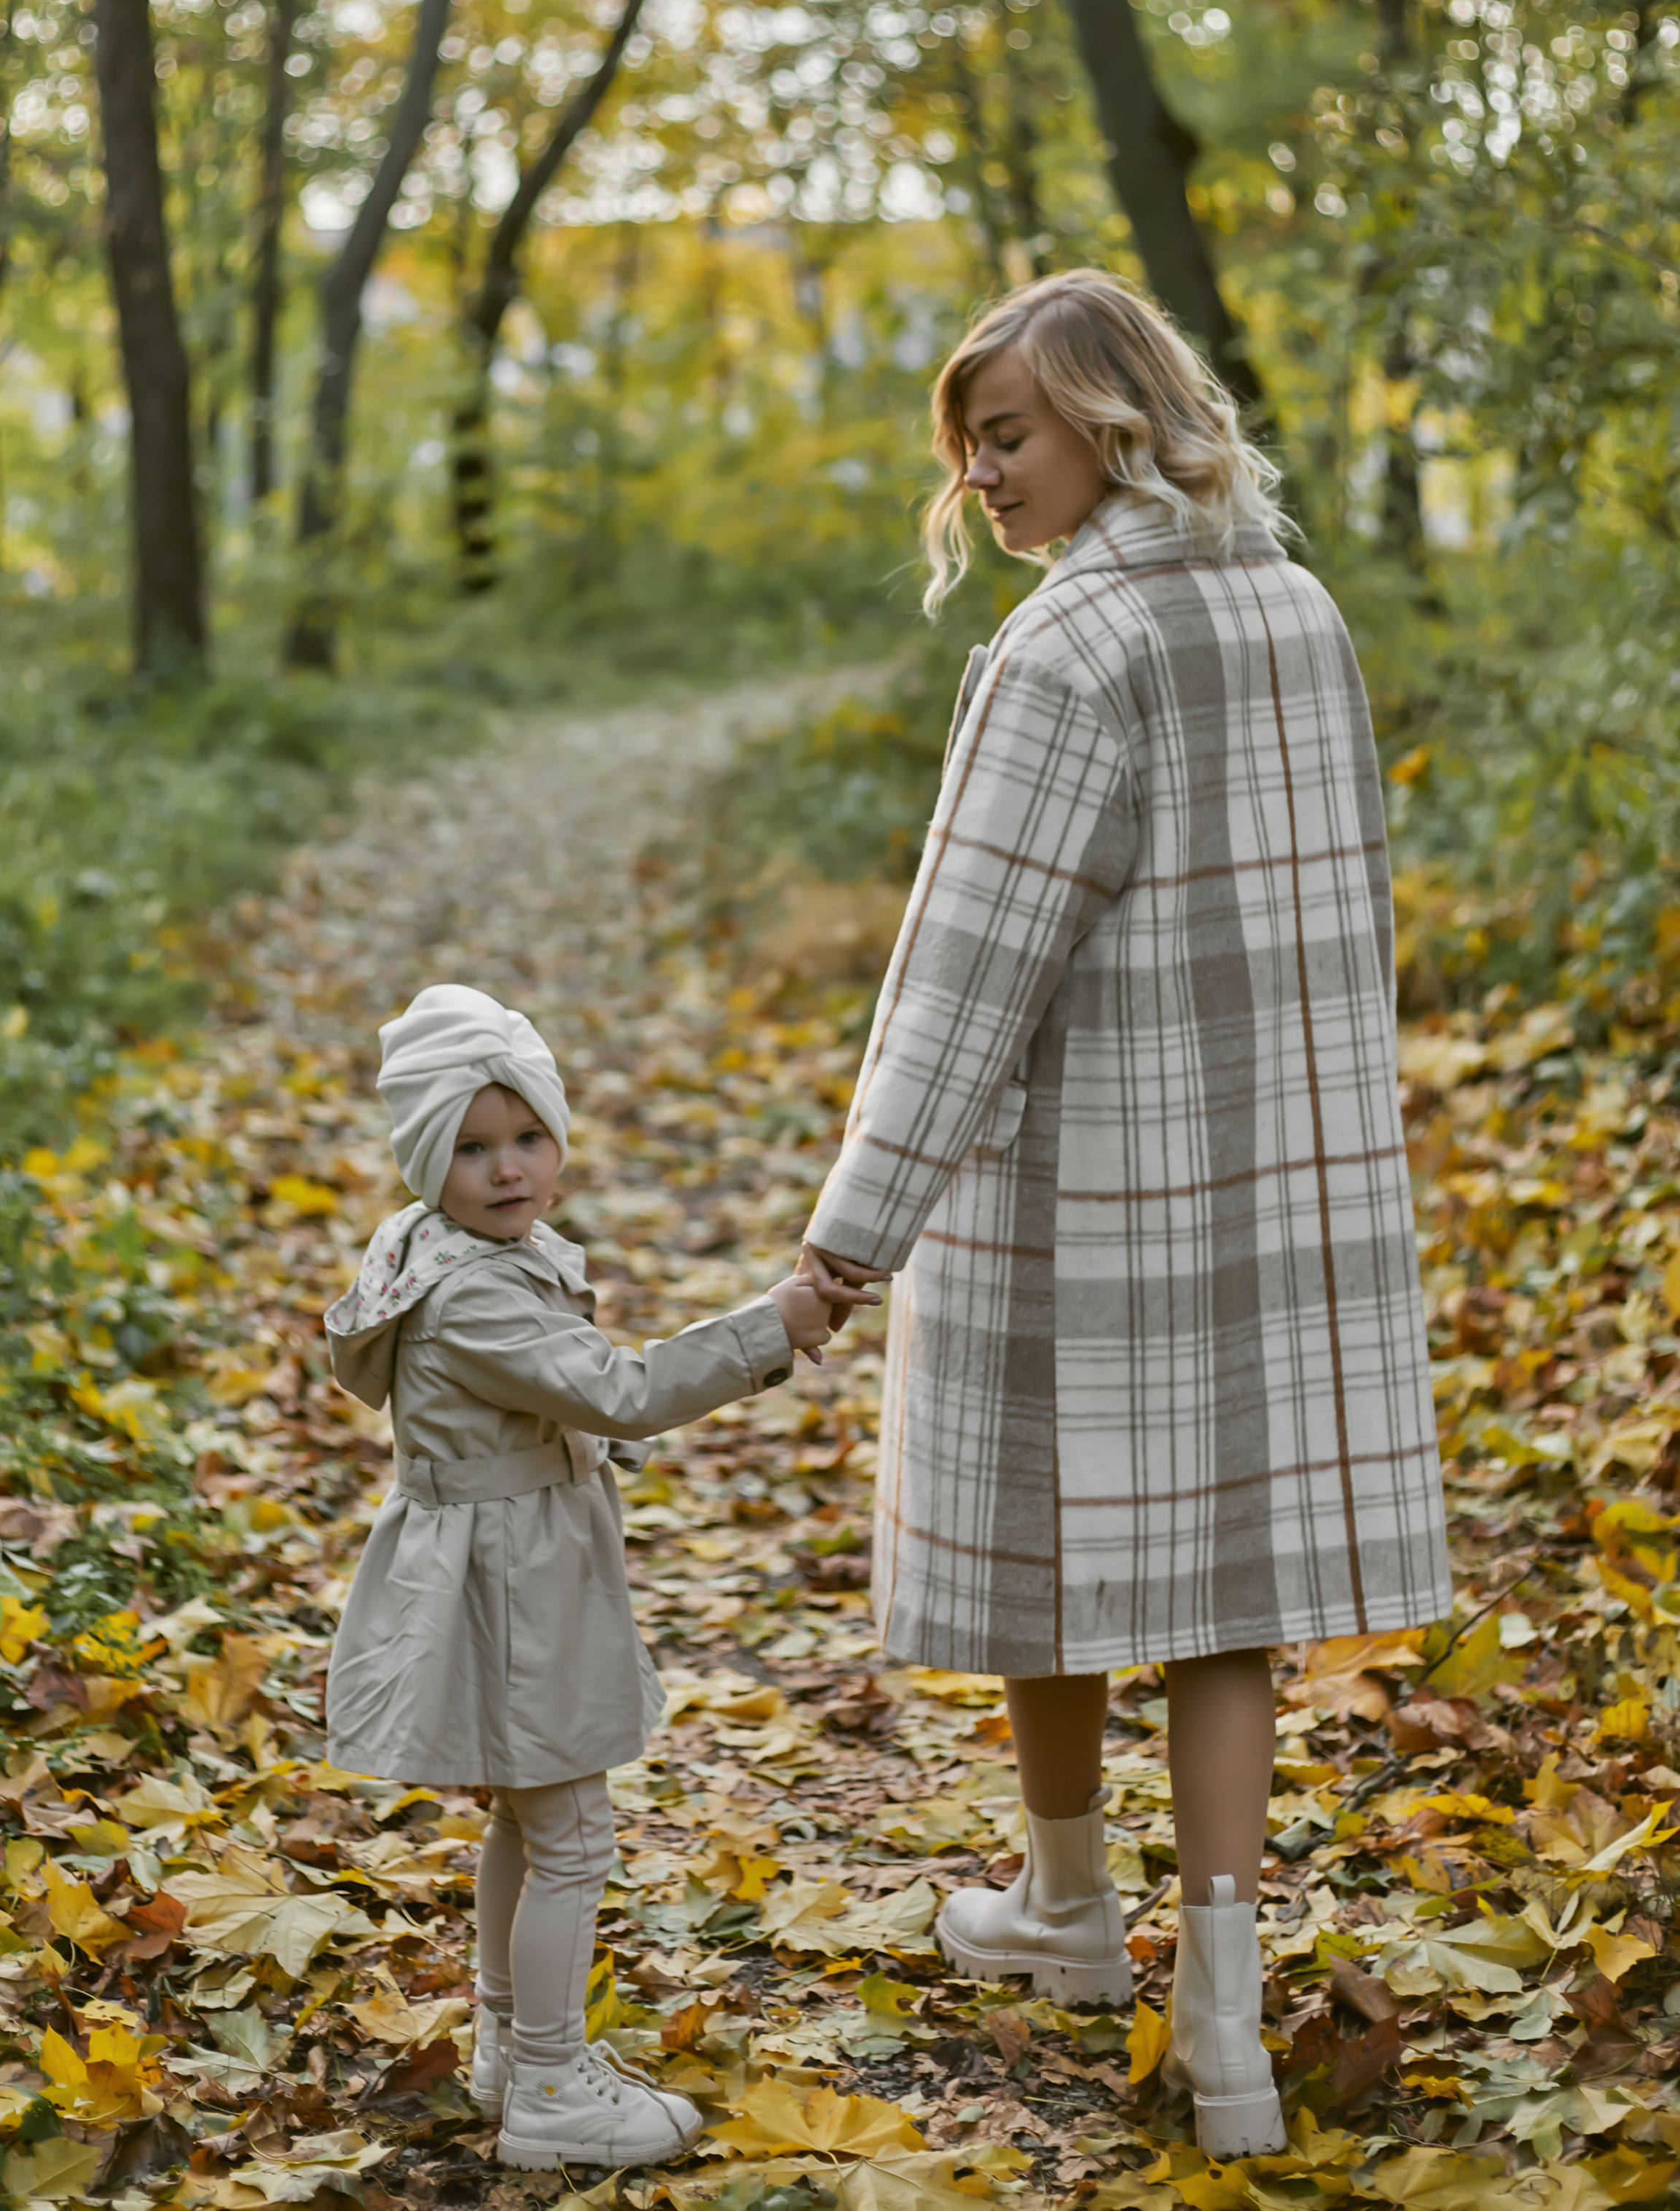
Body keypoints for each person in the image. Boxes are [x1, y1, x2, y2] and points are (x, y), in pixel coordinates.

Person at [789, 271, 1450, 2160]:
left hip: (1076, 1172)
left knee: (1050, 1528)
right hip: (1277, 1181)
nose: (984, 476)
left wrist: (857, 1228)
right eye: (970, 445)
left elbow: (969, 970)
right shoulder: (1295, 608)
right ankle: (1219, 2020)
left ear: (1109, 413)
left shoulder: (1069, 651)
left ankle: (1075, 1901)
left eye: (1009, 434)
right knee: (1226, 1588)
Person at [324, 983, 849, 2171]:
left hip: (516, 1561)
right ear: (424, 1158)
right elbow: (624, 1393)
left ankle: (516, 2044)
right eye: (469, 1148)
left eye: (528, 1138)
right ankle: (553, 2088)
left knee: (530, 1807)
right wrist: (774, 1324)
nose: (509, 1171)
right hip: (515, 1583)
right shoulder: (472, 1291)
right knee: (570, 1834)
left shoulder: (440, 1247)